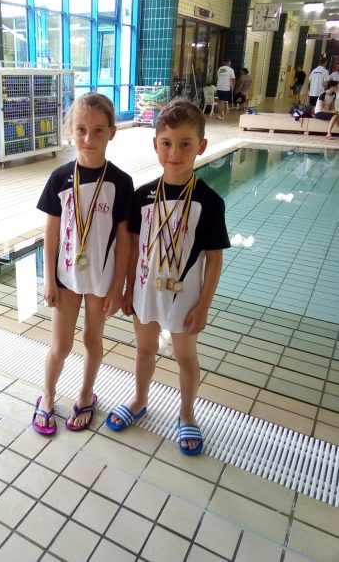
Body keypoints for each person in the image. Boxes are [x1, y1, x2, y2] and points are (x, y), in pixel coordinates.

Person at [106, 99, 230, 456]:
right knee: (144, 350)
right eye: (167, 143)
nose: (175, 153)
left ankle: (187, 413)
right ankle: (139, 400)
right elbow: (132, 246)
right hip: (145, 291)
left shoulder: (209, 202)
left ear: (201, 146)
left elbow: (214, 260)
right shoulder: (142, 195)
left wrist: (204, 306)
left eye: (185, 144)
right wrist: (128, 289)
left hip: (185, 297)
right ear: (155, 145)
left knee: (185, 357)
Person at [33, 93, 133, 436]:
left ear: (112, 133)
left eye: (98, 130)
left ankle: (86, 394)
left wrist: (118, 287)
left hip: (100, 280)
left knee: (92, 339)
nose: (89, 138)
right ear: (70, 131)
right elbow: (50, 233)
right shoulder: (60, 177)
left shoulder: (121, 182)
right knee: (61, 346)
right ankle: (47, 396)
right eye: (81, 129)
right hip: (65, 277)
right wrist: (49, 279)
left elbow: (125, 241)